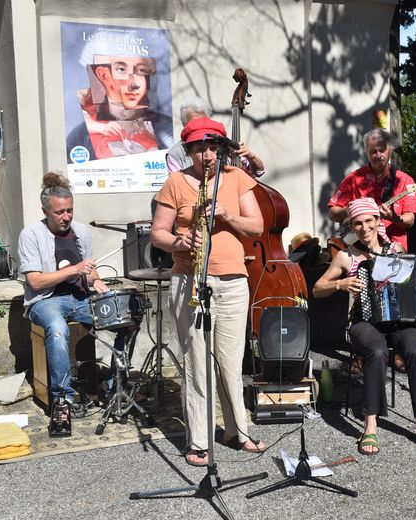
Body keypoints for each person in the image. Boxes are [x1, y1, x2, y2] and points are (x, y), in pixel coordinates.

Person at [150, 116, 266, 466]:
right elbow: (158, 233)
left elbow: (257, 226)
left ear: (220, 150)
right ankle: (198, 440)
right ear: (189, 151)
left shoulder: (236, 178)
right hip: (189, 279)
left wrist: (228, 216)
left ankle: (237, 432)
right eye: (199, 149)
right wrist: (178, 240)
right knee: (196, 362)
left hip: (231, 280)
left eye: (213, 147)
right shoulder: (175, 182)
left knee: (231, 362)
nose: (208, 155)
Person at [313, 198, 416, 455]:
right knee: (377, 351)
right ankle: (370, 424)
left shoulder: (395, 250)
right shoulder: (345, 256)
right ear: (351, 225)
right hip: (364, 321)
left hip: (400, 320)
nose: (363, 227)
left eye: (368, 221)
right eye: (357, 223)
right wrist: (340, 284)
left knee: (415, 351)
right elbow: (317, 289)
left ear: (377, 221)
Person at [18, 173, 114, 417]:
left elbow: (89, 273)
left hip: (81, 298)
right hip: (46, 301)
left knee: (124, 319)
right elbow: (35, 281)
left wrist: (97, 279)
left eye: (70, 210)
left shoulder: (81, 232)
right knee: (58, 329)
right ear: (45, 211)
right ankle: (63, 399)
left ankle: (114, 386)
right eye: (60, 212)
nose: (66, 217)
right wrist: (74, 269)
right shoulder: (30, 235)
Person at [66, 54, 174, 162]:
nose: (134, 84)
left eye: (141, 71)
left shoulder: (167, 130)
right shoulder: (79, 137)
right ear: (103, 75)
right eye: (121, 69)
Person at [328, 128, 416, 251]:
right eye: (373, 151)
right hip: (358, 250)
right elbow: (332, 213)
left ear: (390, 150)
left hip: (394, 249)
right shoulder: (353, 179)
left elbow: (410, 220)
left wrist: (393, 218)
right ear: (366, 152)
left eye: (382, 150)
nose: (378, 155)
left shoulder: (405, 180)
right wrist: (351, 209)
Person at [166, 97, 265, 177]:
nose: (201, 126)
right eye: (195, 123)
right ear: (184, 124)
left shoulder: (221, 142)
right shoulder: (174, 154)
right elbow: (178, 190)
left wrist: (251, 157)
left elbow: (258, 171)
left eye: (204, 120)